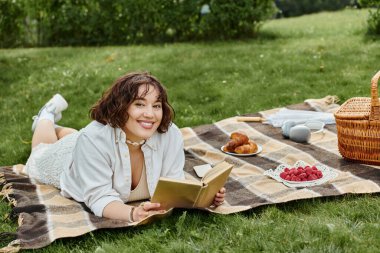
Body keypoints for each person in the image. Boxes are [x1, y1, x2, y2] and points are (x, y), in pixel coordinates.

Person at [24, 72, 226, 222]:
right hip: (68, 161)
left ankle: (59, 128)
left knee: (77, 137)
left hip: (87, 146)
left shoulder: (170, 134)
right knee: (40, 151)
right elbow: (99, 197)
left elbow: (174, 184)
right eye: (139, 104)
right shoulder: (93, 139)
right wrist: (132, 213)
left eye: (156, 106)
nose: (150, 114)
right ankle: (46, 116)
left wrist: (205, 198)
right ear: (121, 106)